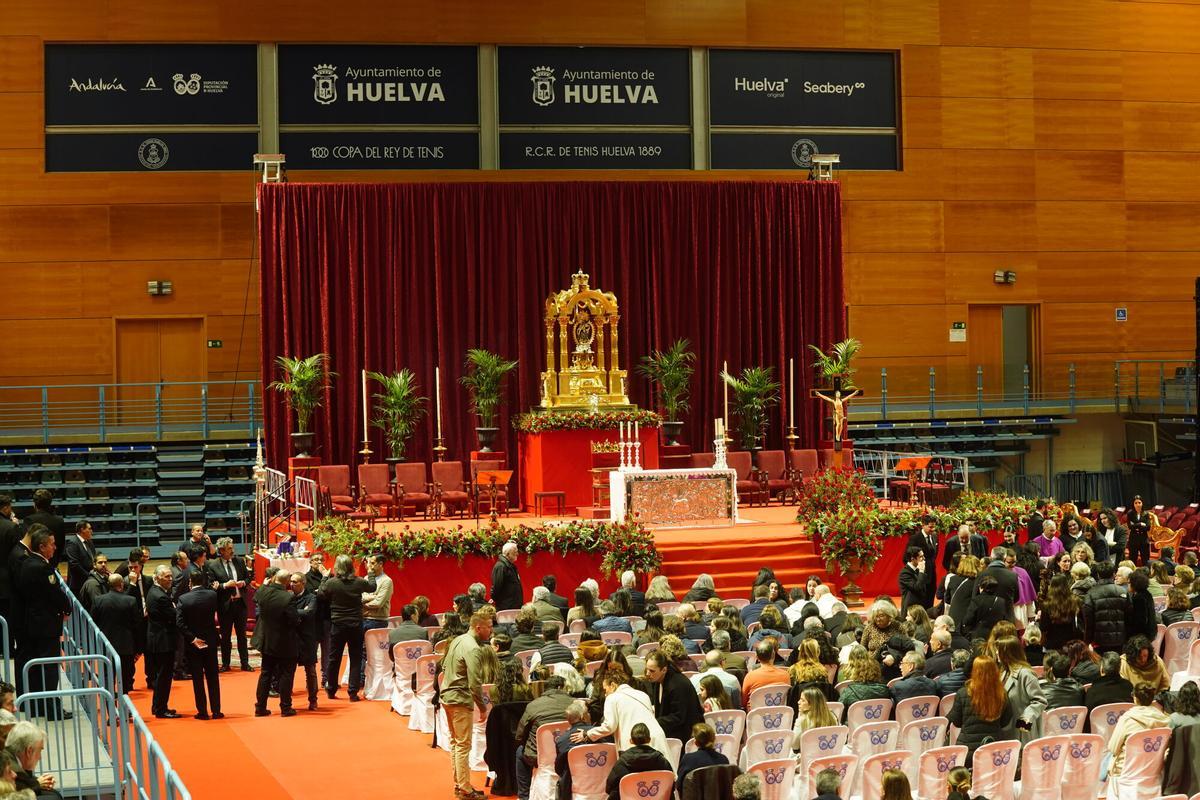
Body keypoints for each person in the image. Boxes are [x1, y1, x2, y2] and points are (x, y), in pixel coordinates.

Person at [17, 527, 70, 721]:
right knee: (49, 668)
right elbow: (54, 593)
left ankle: (40, 706)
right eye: (52, 544)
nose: (55, 548)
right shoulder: (42, 567)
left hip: (33, 621)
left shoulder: (26, 563)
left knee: (39, 667)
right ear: (42, 547)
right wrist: (68, 608)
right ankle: (52, 710)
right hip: (46, 624)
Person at [442, 611, 493, 800]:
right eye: (489, 626)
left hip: (447, 696)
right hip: (460, 699)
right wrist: (482, 706)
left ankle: (460, 784)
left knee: (456, 744)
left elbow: (444, 666)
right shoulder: (473, 648)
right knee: (463, 746)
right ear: (479, 627)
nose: (491, 630)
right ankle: (464, 789)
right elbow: (475, 682)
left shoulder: (457, 640)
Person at [577, 664, 668, 754]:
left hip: (635, 743)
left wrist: (587, 734)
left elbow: (609, 727)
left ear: (612, 685)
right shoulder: (642, 694)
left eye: (605, 690)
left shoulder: (612, 698)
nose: (605, 694)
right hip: (657, 738)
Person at [318, 554, 371, 701]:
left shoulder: (332, 583)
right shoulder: (359, 582)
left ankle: (331, 689)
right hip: (355, 624)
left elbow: (321, 594)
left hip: (338, 624)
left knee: (334, 658)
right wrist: (371, 572)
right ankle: (353, 692)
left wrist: (324, 577)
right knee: (355, 658)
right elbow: (372, 587)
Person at [514, 674, 573, 800]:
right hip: (570, 753)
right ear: (560, 687)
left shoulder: (533, 705)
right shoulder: (575, 703)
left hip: (539, 757)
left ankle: (523, 796)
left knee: (520, 752)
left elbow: (519, 736)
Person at [946, 655, 1015, 762]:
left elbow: (956, 722)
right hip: (994, 749)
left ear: (974, 671)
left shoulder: (963, 693)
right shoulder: (1002, 694)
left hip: (967, 752)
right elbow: (1006, 721)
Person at [176, 570, 221, 720]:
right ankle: (216, 710)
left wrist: (193, 638)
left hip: (194, 645)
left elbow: (180, 624)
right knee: (213, 677)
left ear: (190, 582)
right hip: (210, 641)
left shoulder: (183, 599)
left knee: (197, 678)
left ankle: (202, 712)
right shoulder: (212, 595)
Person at [255, 570, 298, 716]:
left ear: (273, 579)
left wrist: (264, 585)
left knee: (265, 673)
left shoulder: (263, 592)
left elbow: (256, 597)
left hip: (267, 640)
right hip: (284, 641)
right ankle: (285, 707)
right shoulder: (288, 597)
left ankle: (260, 707)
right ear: (287, 582)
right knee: (286, 674)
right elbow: (294, 619)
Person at [1108, 683, 1170, 780]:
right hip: (1154, 768)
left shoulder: (1126, 719)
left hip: (1127, 769)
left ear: (1135, 698)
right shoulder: (1165, 719)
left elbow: (1113, 748)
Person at [90, 574, 140, 694]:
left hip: (106, 645)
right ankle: (124, 706)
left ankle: (109, 705)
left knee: (108, 676)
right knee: (125, 678)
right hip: (126, 645)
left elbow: (93, 621)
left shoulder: (99, 600)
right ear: (122, 584)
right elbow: (137, 623)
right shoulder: (131, 600)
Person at [207, 537, 250, 672]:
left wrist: (244, 582)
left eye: (232, 547)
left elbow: (248, 577)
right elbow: (210, 585)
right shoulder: (213, 565)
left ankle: (245, 663)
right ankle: (226, 664)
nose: (232, 551)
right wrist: (225, 585)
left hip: (240, 604)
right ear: (221, 550)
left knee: (242, 636)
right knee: (225, 636)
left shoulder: (239, 561)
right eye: (229, 548)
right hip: (225, 605)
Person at [643, 650, 704, 742]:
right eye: (647, 669)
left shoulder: (677, 685)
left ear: (664, 670)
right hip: (673, 728)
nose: (647, 674)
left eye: (651, 671)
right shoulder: (657, 679)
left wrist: (653, 722)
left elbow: (678, 717)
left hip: (687, 733)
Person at [604, 722, 673, 800]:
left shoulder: (622, 762)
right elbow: (671, 786)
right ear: (649, 739)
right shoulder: (661, 761)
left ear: (631, 741)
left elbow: (609, 788)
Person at [146, 564, 179, 719]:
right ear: (157, 577)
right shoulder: (161, 596)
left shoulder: (155, 591)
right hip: (163, 641)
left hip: (157, 639)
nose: (170, 579)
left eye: (171, 576)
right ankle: (160, 709)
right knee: (164, 677)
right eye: (167, 576)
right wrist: (173, 608)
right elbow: (174, 616)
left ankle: (158, 706)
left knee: (161, 676)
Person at [289, 572, 321, 711]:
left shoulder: (311, 597)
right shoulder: (288, 597)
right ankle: (286, 701)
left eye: (295, 581)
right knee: (288, 671)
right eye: (291, 581)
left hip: (307, 639)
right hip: (291, 638)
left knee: (311, 671)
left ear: (303, 583)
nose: (292, 584)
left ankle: (313, 700)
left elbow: (309, 613)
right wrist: (300, 611)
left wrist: (293, 612)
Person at [1081, 560, 1129, 653]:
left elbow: (1088, 621)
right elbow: (1129, 618)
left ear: (1098, 575)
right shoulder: (1123, 592)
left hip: (1099, 642)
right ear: (1114, 574)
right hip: (1120, 640)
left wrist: (1087, 641)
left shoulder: (1091, 594)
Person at [6, 721, 61, 800]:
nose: (40, 758)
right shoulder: (11, 767)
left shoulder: (11, 756)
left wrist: (41, 782)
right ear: (29, 751)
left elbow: (24, 781)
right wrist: (37, 783)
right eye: (40, 751)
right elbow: (17, 792)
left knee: (53, 794)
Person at [677, 722, 728, 789]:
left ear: (695, 742)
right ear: (713, 739)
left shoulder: (688, 759)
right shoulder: (724, 760)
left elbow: (679, 785)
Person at [23, 489, 66, 568]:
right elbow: (61, 544)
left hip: (34, 563)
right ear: (50, 503)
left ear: (35, 504)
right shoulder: (59, 520)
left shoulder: (29, 520)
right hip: (53, 562)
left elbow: (26, 544)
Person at [741, 640, 790, 706]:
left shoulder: (750, 676)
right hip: (779, 714)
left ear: (757, 658)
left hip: (755, 714)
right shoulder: (786, 675)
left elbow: (743, 702)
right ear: (774, 655)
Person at [791, 686, 838, 751]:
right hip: (828, 755)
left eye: (802, 700)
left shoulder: (802, 720)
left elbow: (794, 746)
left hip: (809, 758)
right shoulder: (832, 716)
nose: (798, 702)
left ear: (812, 704)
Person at [899, 546, 933, 617]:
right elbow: (917, 587)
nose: (924, 558)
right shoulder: (904, 573)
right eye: (921, 557)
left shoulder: (919, 569)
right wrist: (921, 571)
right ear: (912, 559)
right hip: (910, 612)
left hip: (920, 608)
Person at [63, 520, 96, 595]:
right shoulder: (72, 542)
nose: (92, 531)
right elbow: (74, 564)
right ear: (82, 530)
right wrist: (88, 575)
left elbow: (93, 558)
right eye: (89, 529)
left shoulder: (89, 542)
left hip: (89, 579)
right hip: (77, 583)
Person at [1125, 570, 1158, 641]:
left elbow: (1140, 621)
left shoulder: (1139, 598)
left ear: (1134, 584)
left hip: (1141, 635)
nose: (1127, 585)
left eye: (1128, 583)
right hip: (1150, 632)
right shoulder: (1147, 594)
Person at [491, 541, 523, 611]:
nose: (517, 554)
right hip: (506, 607)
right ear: (508, 553)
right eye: (515, 552)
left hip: (512, 606)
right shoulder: (501, 566)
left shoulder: (510, 566)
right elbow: (496, 587)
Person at [1125, 496, 1153, 566]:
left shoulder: (1146, 513)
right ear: (1133, 504)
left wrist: (1135, 525)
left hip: (1143, 538)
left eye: (1139, 502)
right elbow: (1130, 526)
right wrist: (1140, 524)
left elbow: (1148, 527)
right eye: (1136, 503)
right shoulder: (1130, 513)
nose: (1138, 504)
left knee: (1145, 559)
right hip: (1133, 538)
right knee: (1132, 559)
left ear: (1142, 503)